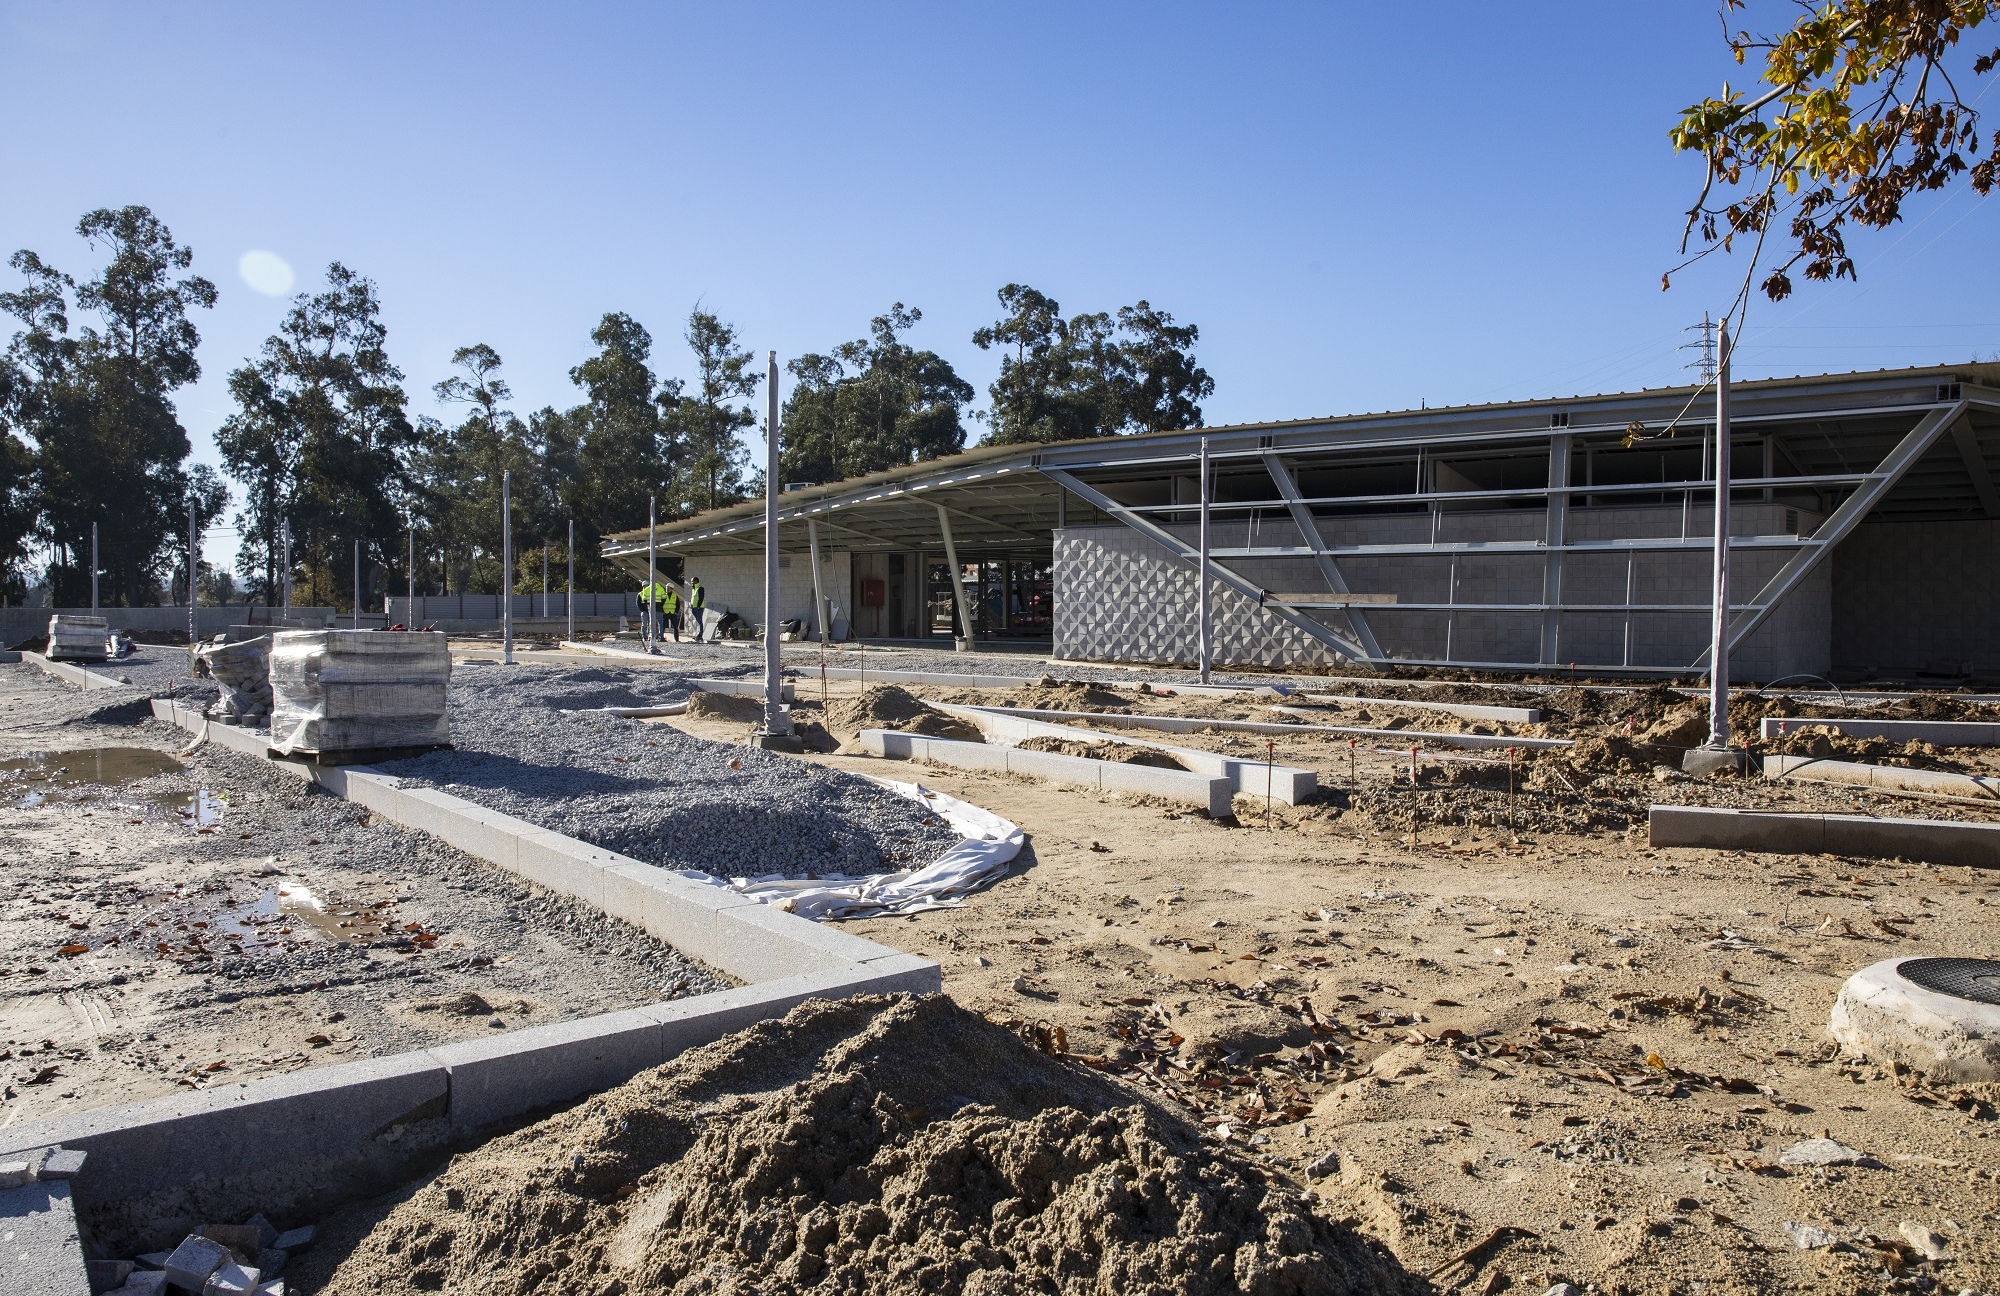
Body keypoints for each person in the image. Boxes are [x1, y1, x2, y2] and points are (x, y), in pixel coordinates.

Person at [639, 577, 671, 645]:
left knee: (651, 623)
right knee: (660, 623)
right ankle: (660, 636)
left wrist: (648, 604)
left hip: (651, 608)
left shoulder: (647, 589)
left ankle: (651, 636)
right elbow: (664, 597)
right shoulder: (660, 588)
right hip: (659, 608)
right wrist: (661, 604)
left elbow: (644, 599)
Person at [687, 576, 705, 642]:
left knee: (699, 621)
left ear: (696, 581)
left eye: (693, 581)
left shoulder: (700, 588)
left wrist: (698, 606)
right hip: (694, 607)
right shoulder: (694, 589)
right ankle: (698, 634)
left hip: (698, 607)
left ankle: (700, 634)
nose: (692, 583)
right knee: (697, 621)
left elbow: (701, 597)